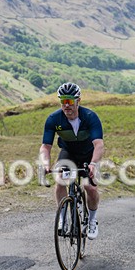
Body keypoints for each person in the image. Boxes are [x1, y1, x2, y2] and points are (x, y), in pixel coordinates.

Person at [39, 82, 104, 240]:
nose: (66, 105)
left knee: (90, 187)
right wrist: (46, 164)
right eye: (63, 101)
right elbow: (45, 146)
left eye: (69, 101)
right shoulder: (54, 119)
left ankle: (92, 220)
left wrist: (94, 164)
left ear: (78, 100)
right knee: (61, 180)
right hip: (68, 154)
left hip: (89, 155)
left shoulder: (90, 117)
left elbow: (99, 144)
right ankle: (63, 218)